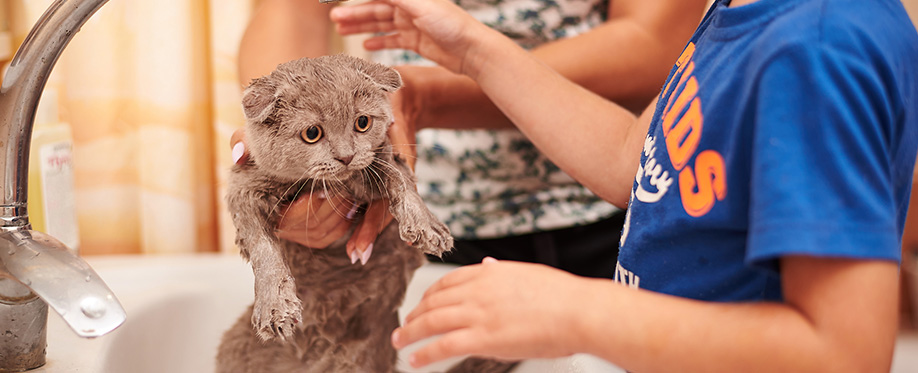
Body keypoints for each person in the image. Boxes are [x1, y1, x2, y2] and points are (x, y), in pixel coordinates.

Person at [328, 0, 918, 370]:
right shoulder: (747, 10)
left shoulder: (815, 50)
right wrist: (477, 53)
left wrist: (581, 310)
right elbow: (634, 157)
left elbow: (844, 356)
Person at [232, 0, 707, 278]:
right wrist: (285, 147)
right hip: (416, 225)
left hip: (612, 217)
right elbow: (288, 14)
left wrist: (434, 94)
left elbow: (658, 43)